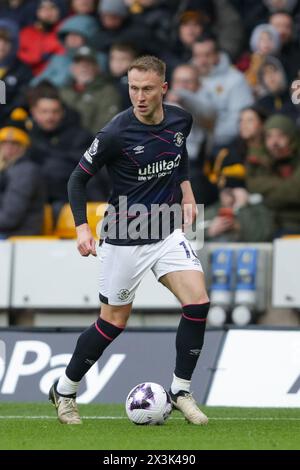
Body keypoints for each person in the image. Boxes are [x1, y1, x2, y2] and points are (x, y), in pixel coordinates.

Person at [49, 55, 210, 426]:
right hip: (124, 237)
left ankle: (181, 390)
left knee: (198, 302)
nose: (139, 96)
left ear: (163, 89)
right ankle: (66, 390)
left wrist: (186, 192)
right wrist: (82, 227)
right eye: (133, 88)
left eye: (147, 89)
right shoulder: (115, 133)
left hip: (167, 230)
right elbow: (76, 179)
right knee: (112, 323)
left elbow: (178, 154)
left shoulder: (181, 119)